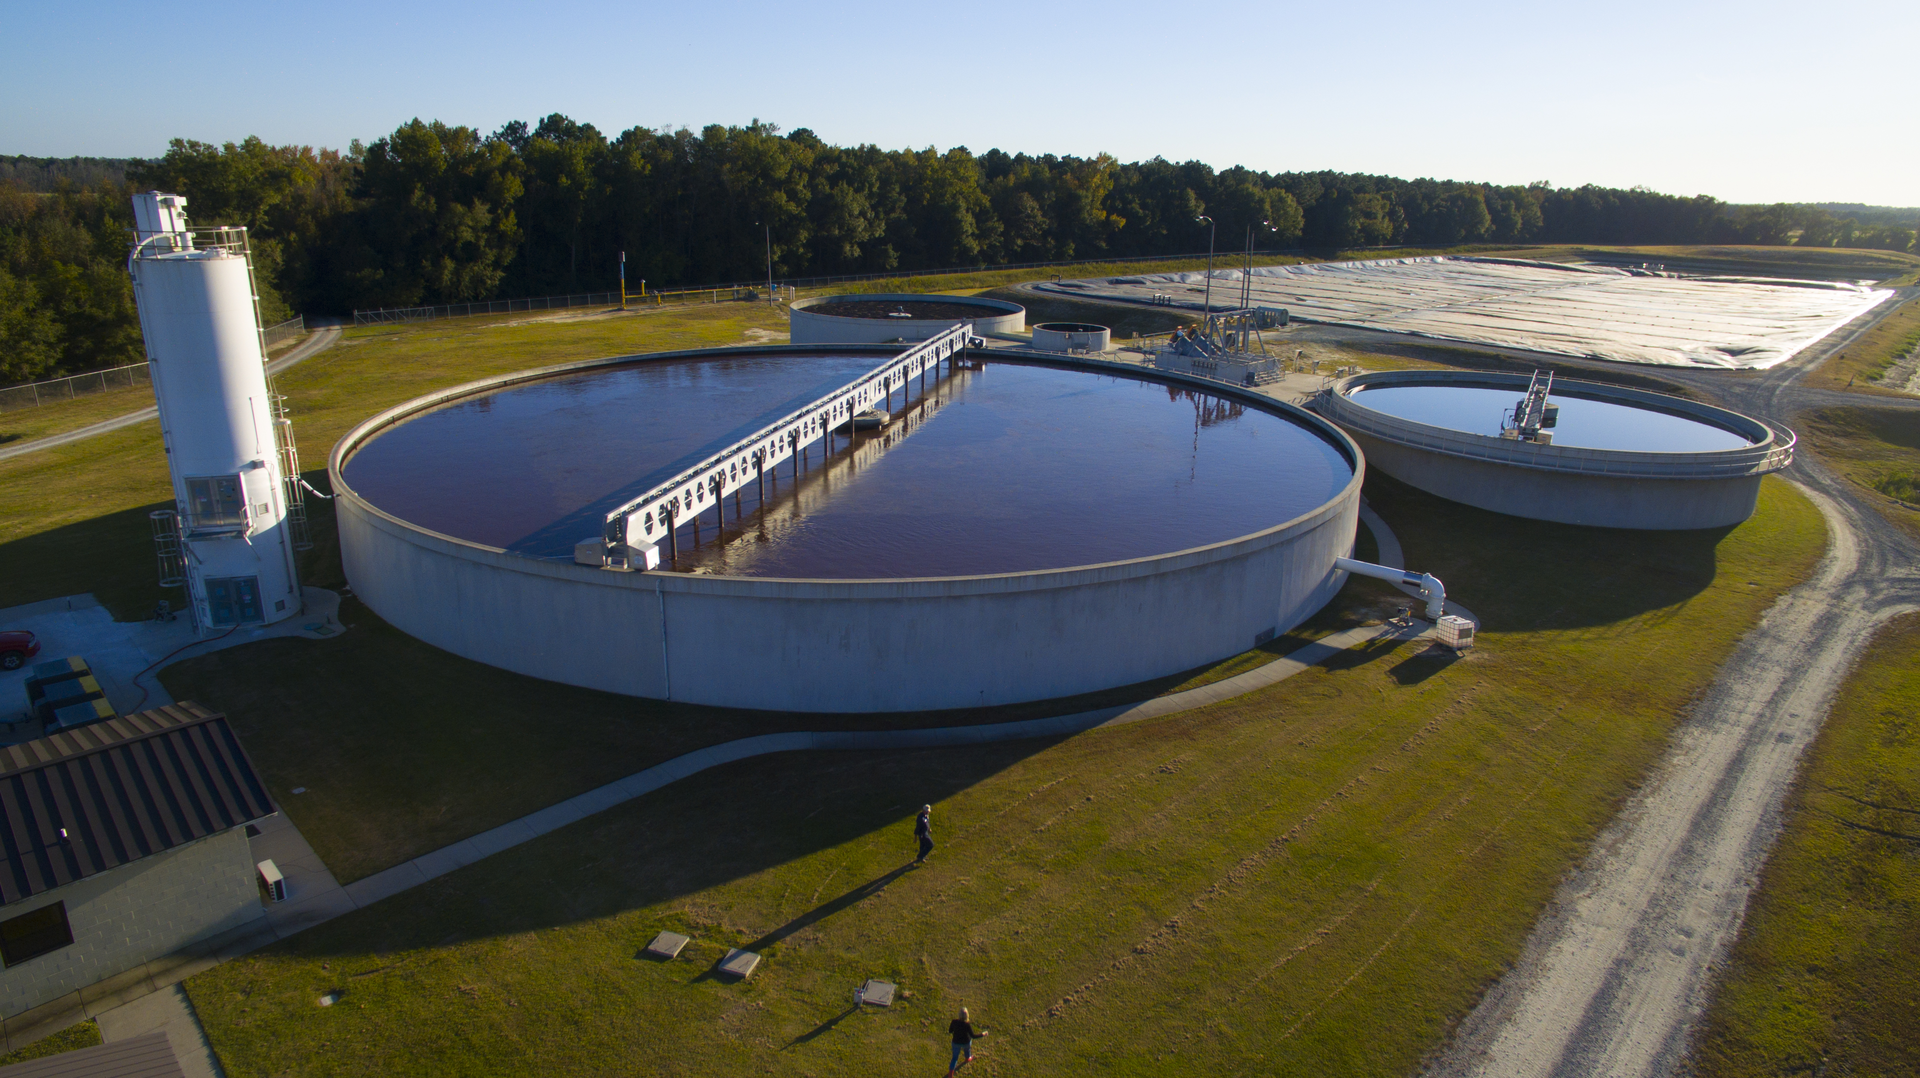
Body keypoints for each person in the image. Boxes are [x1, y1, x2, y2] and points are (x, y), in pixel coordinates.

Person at [947, 1007, 986, 1074]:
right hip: (966, 1043)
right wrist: (982, 1034)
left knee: (955, 1058)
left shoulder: (954, 1022)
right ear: (967, 1015)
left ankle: (950, 1074)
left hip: (956, 1042)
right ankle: (968, 1058)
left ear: (959, 1014)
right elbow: (973, 1036)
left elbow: (950, 1031)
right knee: (967, 1050)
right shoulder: (967, 1025)